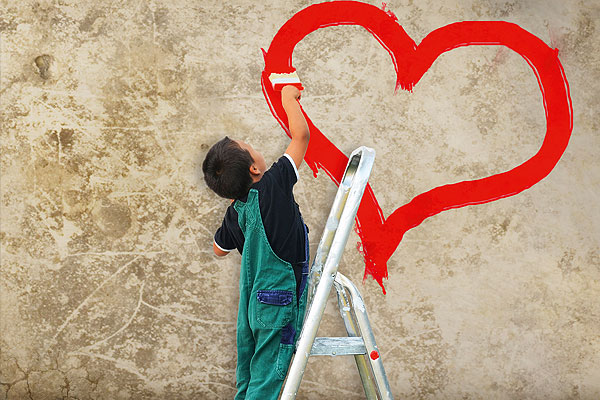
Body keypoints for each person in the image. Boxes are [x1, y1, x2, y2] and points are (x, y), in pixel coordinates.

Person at [202, 85, 310, 399]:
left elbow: (218, 249)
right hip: (277, 300)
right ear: (254, 168)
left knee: (249, 376)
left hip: (252, 304)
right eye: (251, 146)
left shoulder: (235, 212)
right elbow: (300, 138)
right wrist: (289, 98)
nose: (257, 148)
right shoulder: (273, 184)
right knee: (267, 381)